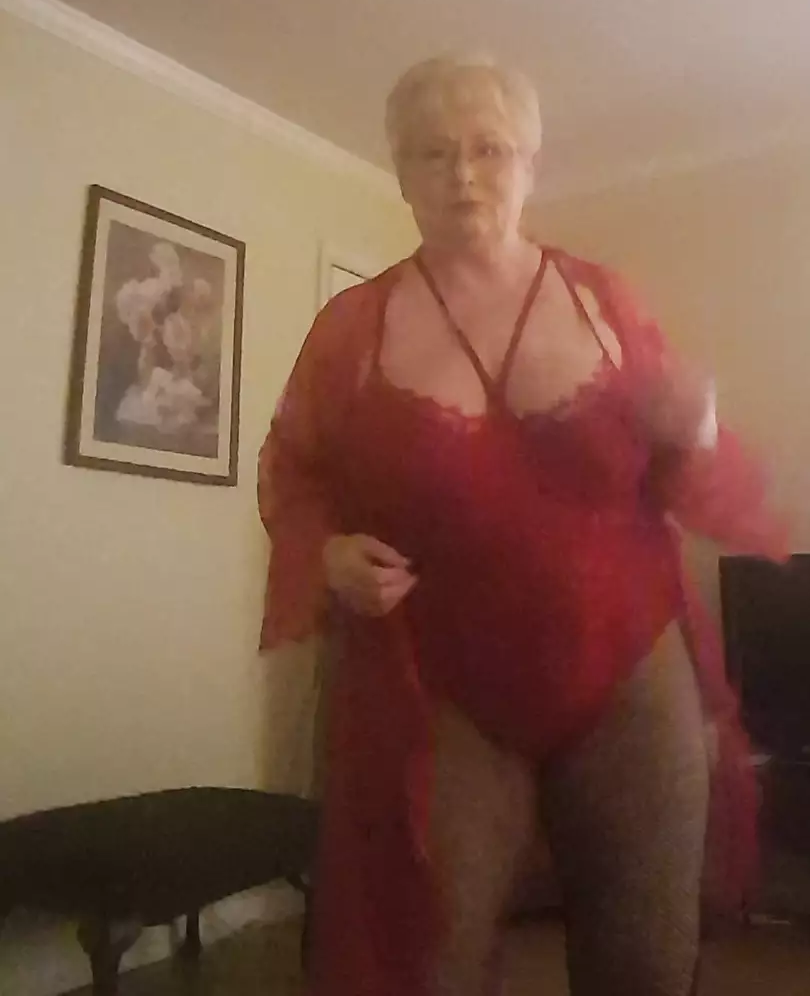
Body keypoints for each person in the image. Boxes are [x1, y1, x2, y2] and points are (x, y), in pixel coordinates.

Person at [258, 57, 786, 996]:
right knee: (432, 956)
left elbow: (686, 482)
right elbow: (291, 471)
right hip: (440, 683)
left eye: (488, 150)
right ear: (401, 171)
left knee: (646, 953)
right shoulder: (351, 326)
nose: (462, 175)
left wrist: (698, 429)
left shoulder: (607, 301)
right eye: (432, 154)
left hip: (626, 668)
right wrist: (329, 554)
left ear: (531, 164)